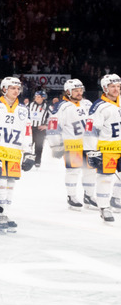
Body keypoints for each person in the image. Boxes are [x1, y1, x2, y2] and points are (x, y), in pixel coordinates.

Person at [0, 76, 35, 233]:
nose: (16, 91)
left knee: (10, 186)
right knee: (0, 184)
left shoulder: (23, 109)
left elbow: (26, 132)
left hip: (14, 152)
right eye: (12, 88)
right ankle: (0, 215)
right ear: (4, 89)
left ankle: (5, 214)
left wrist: (28, 152)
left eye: (18, 88)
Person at [47, 79, 96, 210]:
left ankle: (89, 196)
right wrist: (55, 144)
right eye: (76, 91)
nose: (79, 93)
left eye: (80, 90)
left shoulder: (87, 103)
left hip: (89, 143)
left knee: (91, 170)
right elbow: (53, 126)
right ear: (68, 91)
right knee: (73, 171)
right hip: (72, 143)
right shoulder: (61, 106)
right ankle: (71, 196)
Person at [87, 73, 121, 222]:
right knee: (105, 178)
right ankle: (104, 206)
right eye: (112, 86)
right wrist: (93, 152)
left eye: (118, 86)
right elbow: (91, 131)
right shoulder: (98, 107)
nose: (116, 89)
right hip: (107, 148)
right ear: (105, 88)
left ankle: (116, 198)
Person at [29, 89, 50, 167]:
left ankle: (37, 161)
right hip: (31, 128)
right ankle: (28, 160)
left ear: (43, 98)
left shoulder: (47, 106)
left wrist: (46, 126)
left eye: (38, 97)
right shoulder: (30, 104)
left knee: (39, 145)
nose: (36, 98)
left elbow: (53, 117)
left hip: (40, 129)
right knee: (29, 145)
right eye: (35, 97)